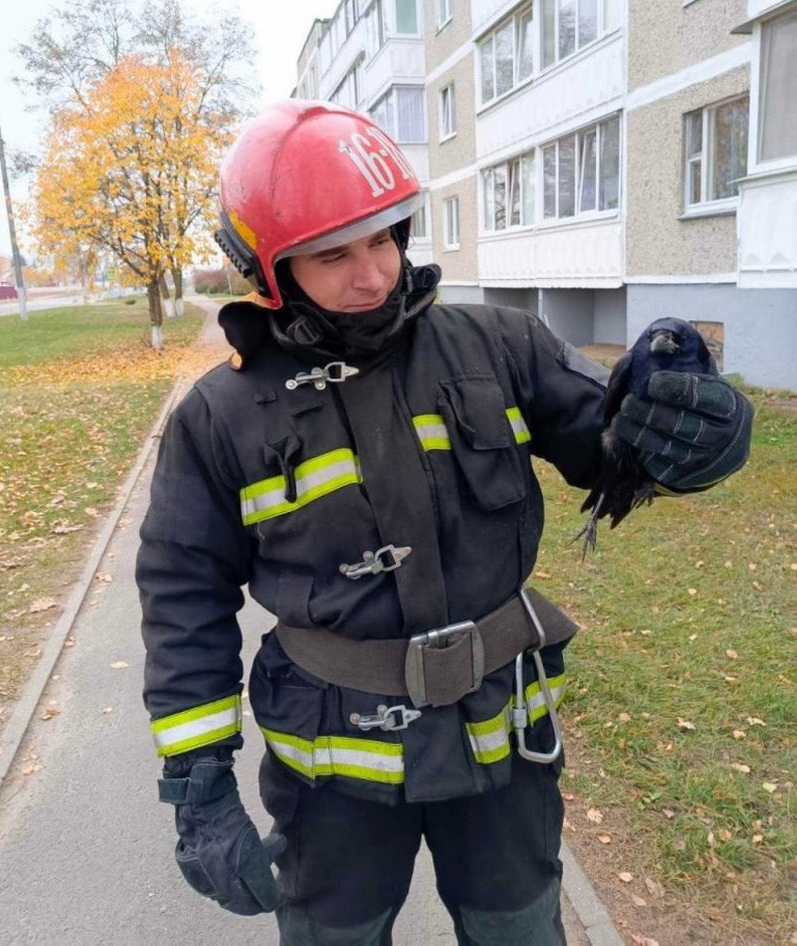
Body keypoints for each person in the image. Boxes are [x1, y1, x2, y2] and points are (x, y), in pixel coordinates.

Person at [137, 100, 752, 945]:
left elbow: (612, 449)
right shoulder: (220, 416)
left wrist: (703, 435)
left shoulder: (498, 344)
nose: (376, 274)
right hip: (331, 777)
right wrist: (198, 786)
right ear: (269, 270)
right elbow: (181, 599)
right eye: (334, 255)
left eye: (385, 237)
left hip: (502, 747)